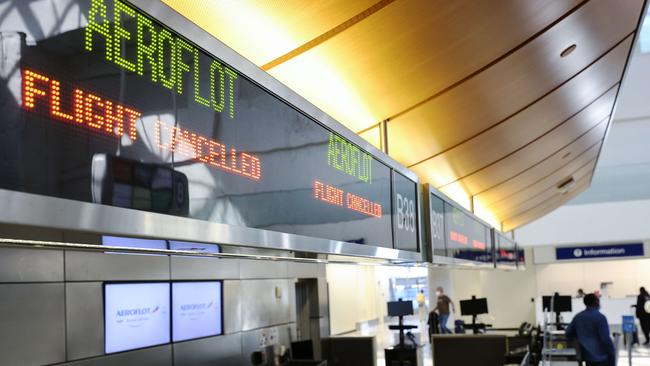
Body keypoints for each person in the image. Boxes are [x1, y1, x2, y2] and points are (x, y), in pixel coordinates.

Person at [566, 293, 616, 366]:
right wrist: (612, 352)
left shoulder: (578, 317)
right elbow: (605, 339)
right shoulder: (600, 317)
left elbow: (568, 333)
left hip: (587, 357)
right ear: (596, 302)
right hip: (602, 358)